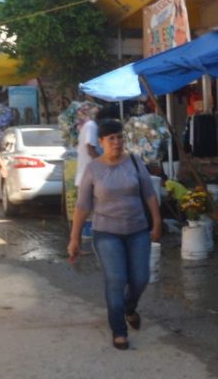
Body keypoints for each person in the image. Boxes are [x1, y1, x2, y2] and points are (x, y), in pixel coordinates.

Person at [68, 119, 162, 351]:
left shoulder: (134, 161)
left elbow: (149, 193)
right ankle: (119, 330)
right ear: (101, 142)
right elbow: (82, 206)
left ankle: (129, 308)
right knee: (117, 279)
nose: (117, 142)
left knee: (140, 278)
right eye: (111, 138)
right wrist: (74, 238)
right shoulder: (93, 169)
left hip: (138, 230)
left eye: (120, 137)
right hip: (107, 233)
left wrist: (157, 222)